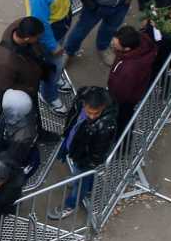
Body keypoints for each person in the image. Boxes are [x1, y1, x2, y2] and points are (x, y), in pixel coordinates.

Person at [49, 85, 121, 219]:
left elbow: (97, 153)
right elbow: (73, 120)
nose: (92, 116)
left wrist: (86, 164)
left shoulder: (105, 126)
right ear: (84, 104)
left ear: (103, 107)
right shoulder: (80, 102)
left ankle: (70, 205)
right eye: (89, 112)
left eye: (96, 113)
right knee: (82, 179)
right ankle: (87, 187)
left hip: (85, 159)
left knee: (80, 182)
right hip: (77, 148)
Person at [26, 0, 78, 112]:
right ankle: (48, 95)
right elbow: (41, 25)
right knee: (52, 65)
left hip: (60, 23)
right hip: (49, 31)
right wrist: (53, 45)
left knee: (57, 63)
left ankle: (54, 80)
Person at [107, 24, 159, 122]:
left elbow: (122, 94)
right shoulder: (141, 44)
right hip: (133, 92)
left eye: (115, 44)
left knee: (121, 118)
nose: (112, 44)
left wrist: (111, 98)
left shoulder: (129, 69)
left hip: (124, 100)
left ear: (127, 49)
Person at [0, 16, 48, 106]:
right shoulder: (6, 62)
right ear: (27, 39)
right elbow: (4, 89)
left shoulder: (22, 25)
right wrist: (28, 91)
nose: (39, 39)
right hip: (25, 93)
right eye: (37, 37)